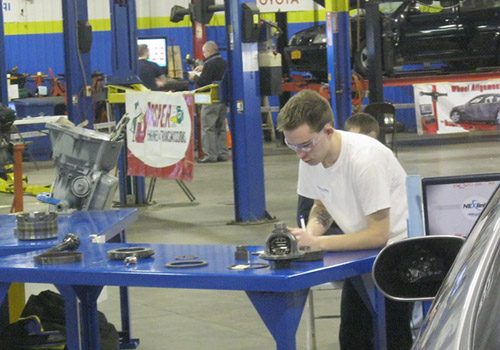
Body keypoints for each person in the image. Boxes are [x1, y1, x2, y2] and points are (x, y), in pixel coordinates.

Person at [277, 90, 412, 350]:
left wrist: (319, 244)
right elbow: (321, 205)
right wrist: (310, 235)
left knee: (391, 337)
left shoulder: (365, 160)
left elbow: (378, 235)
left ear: (328, 131)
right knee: (352, 338)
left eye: (304, 145)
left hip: (395, 253)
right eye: (292, 146)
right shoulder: (311, 156)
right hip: (360, 253)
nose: (300, 154)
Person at [296, 112, 380, 234]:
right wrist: (309, 236)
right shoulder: (312, 159)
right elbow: (319, 208)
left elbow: (378, 233)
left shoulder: (371, 161)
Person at [189, 41, 228, 163]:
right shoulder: (224, 62)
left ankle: (210, 155)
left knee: (207, 127)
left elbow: (203, 81)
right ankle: (223, 153)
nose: (204, 55)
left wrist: (194, 76)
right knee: (220, 127)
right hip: (223, 99)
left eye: (204, 52)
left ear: (209, 52)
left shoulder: (210, 64)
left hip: (210, 99)